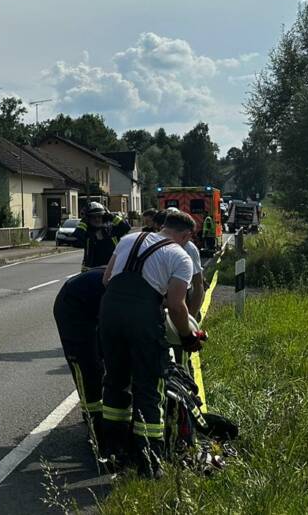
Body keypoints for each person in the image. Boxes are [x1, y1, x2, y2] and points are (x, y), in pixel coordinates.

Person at [98, 209, 201, 477]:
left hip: (109, 314)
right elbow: (178, 307)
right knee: (148, 385)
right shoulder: (181, 256)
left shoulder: (128, 239)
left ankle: (112, 450)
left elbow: (106, 279)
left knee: (115, 381)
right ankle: (149, 461)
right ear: (187, 235)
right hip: (142, 320)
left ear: (164, 226)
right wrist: (188, 337)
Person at [52, 269, 108, 442]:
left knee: (103, 361)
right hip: (72, 307)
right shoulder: (136, 290)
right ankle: (93, 420)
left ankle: (102, 414)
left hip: (93, 306)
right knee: (87, 367)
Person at [73, 202, 131, 271]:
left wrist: (111, 216)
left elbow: (126, 227)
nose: (97, 219)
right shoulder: (87, 234)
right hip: (92, 271)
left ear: (104, 217)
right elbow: (76, 238)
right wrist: (84, 221)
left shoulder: (111, 230)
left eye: (99, 216)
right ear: (88, 219)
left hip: (111, 269)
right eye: (93, 217)